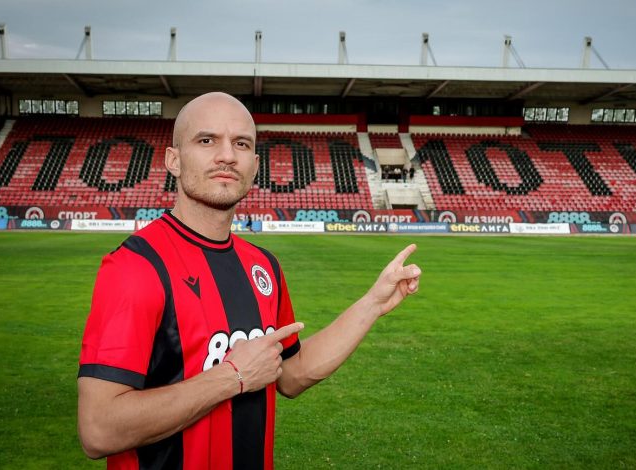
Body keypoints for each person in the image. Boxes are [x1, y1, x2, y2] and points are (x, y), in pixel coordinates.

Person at [77, 92, 422, 470]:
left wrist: (373, 303)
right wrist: (233, 377)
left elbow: (292, 374)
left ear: (255, 164)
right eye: (207, 140)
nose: (227, 155)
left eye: (241, 144)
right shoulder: (136, 266)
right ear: (173, 160)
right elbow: (99, 429)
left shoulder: (263, 266)